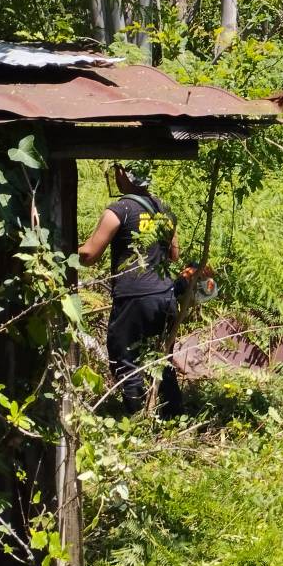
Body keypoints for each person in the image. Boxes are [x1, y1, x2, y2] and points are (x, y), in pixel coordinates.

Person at [79, 163, 184, 418]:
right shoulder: (163, 209)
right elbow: (174, 255)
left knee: (124, 358)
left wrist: (66, 248)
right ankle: (172, 416)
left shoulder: (120, 209)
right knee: (160, 358)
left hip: (133, 297)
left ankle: (135, 420)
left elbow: (89, 255)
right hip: (164, 295)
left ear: (123, 175)